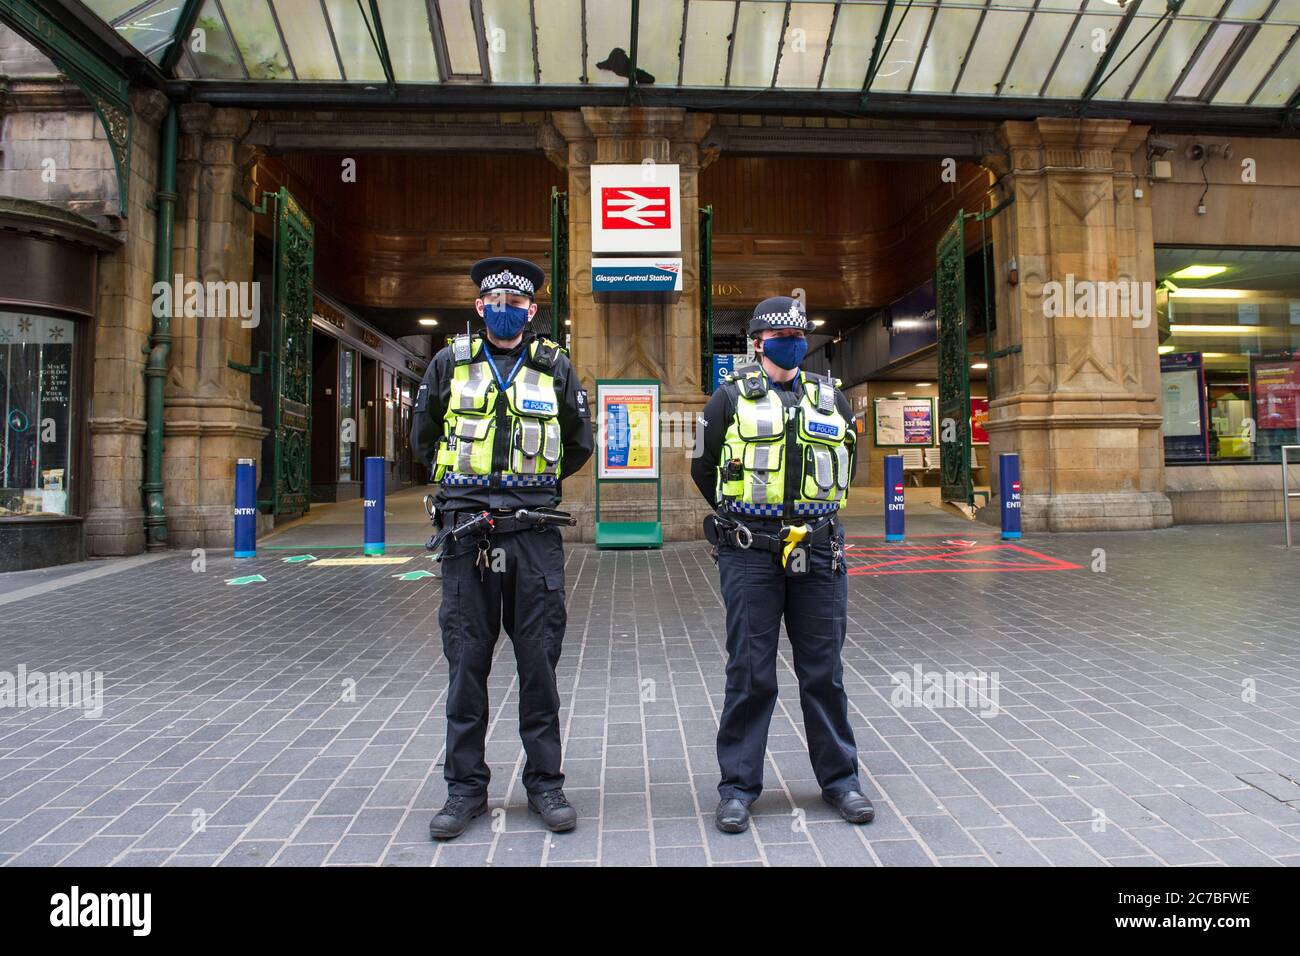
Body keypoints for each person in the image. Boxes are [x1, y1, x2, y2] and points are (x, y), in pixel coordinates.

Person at [411, 256, 593, 840]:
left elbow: (578, 442)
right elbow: (422, 437)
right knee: (467, 663)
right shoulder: (449, 363)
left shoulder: (555, 368)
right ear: (479, 306)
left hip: (533, 535)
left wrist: (525, 488)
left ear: (532, 311)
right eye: (496, 302)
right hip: (467, 535)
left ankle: (545, 783)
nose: (506, 310)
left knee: (538, 663)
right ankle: (464, 788)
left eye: (518, 304)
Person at [691, 295, 874, 833]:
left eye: (799, 335)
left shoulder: (831, 399)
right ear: (757, 343)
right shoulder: (726, 399)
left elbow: (848, 465)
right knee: (749, 671)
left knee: (825, 672)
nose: (791, 343)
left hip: (819, 550)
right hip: (751, 552)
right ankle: (739, 788)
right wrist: (747, 518)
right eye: (779, 336)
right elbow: (705, 469)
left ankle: (841, 781)